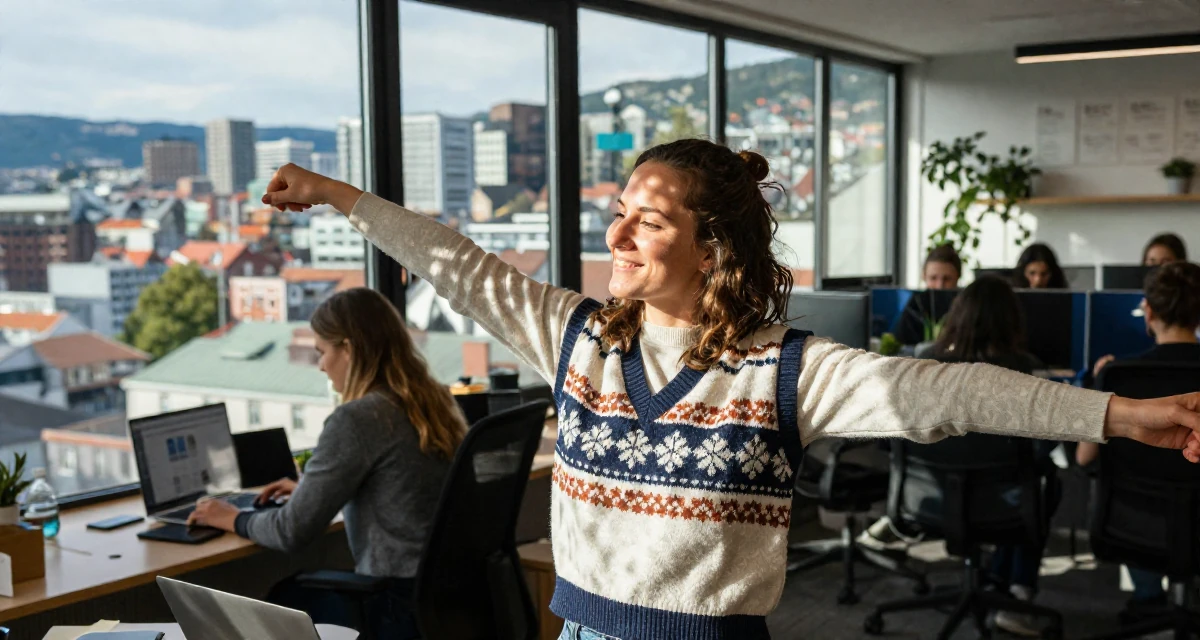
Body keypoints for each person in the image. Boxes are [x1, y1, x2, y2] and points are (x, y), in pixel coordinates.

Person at [261, 138, 1200, 640]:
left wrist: (1119, 413)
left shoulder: (787, 370)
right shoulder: (575, 335)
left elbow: (943, 394)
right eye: (619, 214)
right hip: (579, 632)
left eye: (649, 222)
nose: (619, 237)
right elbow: (452, 262)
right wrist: (341, 195)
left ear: (710, 249)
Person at [189, 287, 465, 638]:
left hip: (395, 603)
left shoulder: (358, 419)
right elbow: (404, 486)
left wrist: (231, 517)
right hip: (451, 596)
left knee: (280, 601)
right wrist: (312, 490)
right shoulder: (434, 400)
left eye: (322, 352)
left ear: (348, 350)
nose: (320, 365)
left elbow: (291, 531)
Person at [926, 277, 1055, 636]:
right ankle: (1018, 590)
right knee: (1046, 480)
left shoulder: (927, 367)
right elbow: (1048, 446)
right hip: (1005, 503)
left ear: (957, 316)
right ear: (1011, 321)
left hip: (935, 498)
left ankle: (995, 579)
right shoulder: (1027, 371)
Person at [1078, 261, 1200, 625]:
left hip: (1133, 523)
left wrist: (1099, 383)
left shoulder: (1118, 374)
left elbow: (1084, 458)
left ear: (1148, 311)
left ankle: (1149, 600)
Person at [893, 243, 961, 345]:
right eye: (933, 278)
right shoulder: (916, 305)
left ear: (958, 276)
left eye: (947, 279)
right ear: (924, 276)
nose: (939, 286)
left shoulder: (967, 307)